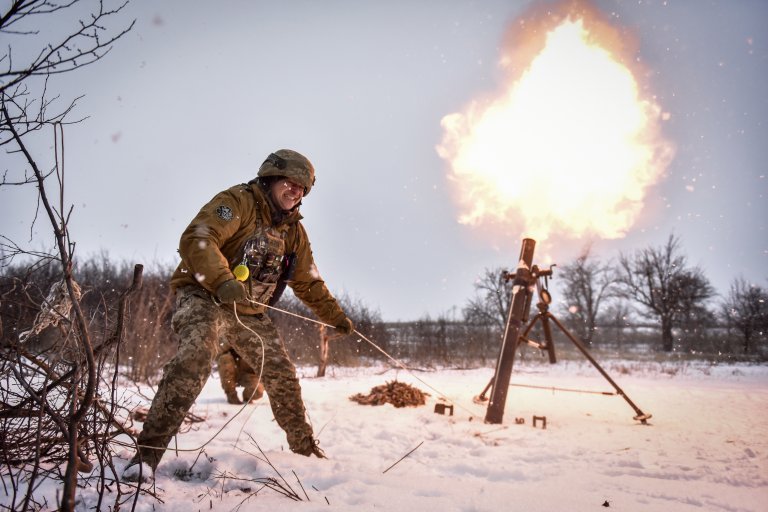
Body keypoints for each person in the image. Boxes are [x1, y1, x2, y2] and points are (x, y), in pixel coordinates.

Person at [126, 149, 354, 478]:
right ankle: (146, 456)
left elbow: (308, 282)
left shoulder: (294, 233)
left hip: (247, 313)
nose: (296, 192)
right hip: (204, 295)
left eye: (302, 189)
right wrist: (222, 280)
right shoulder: (238, 202)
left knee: (282, 375)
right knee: (197, 356)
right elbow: (198, 238)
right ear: (271, 179)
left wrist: (336, 316)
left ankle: (305, 451)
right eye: (290, 183)